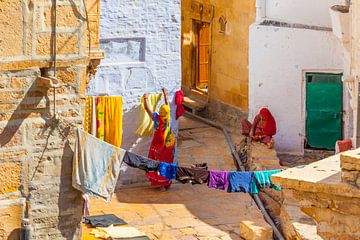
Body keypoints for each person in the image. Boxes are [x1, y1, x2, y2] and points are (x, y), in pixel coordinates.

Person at [143, 88, 176, 190]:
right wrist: (165, 95)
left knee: (158, 162)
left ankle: (160, 182)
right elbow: (168, 106)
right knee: (167, 163)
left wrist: (145, 98)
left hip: (159, 145)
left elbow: (147, 108)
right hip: (169, 145)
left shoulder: (157, 119)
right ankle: (166, 181)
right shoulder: (168, 118)